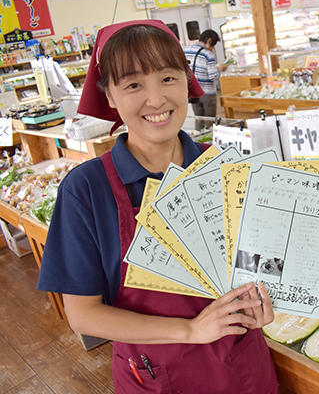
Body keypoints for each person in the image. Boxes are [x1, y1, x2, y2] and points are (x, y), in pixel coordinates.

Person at [36, 20, 278, 394]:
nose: (156, 99)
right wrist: (190, 330)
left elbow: (257, 267)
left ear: (186, 80)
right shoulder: (86, 189)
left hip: (243, 365)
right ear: (110, 96)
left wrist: (261, 301)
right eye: (133, 84)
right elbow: (83, 315)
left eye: (168, 78)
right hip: (157, 375)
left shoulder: (226, 168)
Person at [183, 29, 227, 130]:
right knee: (210, 121)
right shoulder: (208, 54)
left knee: (199, 119)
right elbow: (213, 76)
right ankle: (209, 142)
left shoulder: (185, 50)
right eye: (213, 46)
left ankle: (198, 141)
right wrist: (220, 69)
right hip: (207, 93)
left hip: (193, 91)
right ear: (209, 41)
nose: (212, 49)